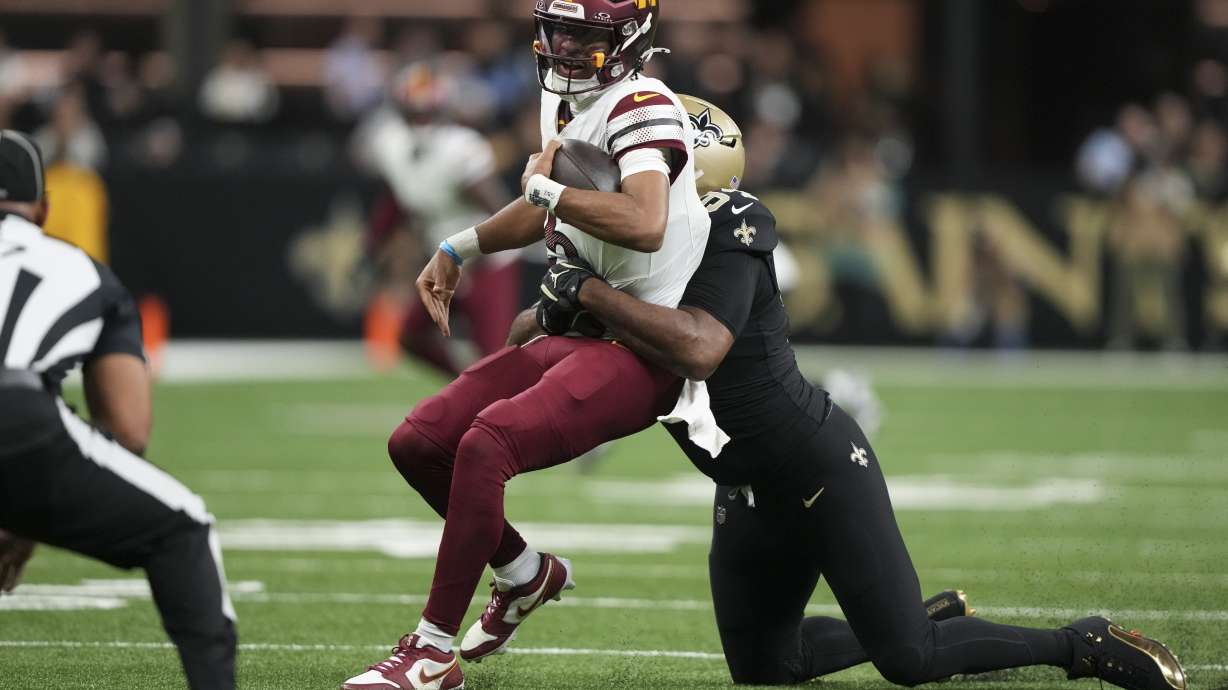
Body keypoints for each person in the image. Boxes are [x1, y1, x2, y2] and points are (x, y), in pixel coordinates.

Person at [534, 99, 1187, 690]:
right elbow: (538, 328)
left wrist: (586, 293)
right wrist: (550, 302)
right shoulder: (638, 253)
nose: (633, 179)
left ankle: (1080, 644)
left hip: (811, 467)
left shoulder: (731, 227)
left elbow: (697, 348)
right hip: (742, 484)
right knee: (766, 670)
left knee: (911, 659)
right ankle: (914, 616)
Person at [340, 2, 711, 688]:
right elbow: (543, 204)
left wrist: (544, 186)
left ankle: (431, 651)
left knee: (486, 444)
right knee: (418, 443)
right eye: (557, 29)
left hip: (637, 344)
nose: (562, 44)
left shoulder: (642, 104)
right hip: (571, 326)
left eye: (583, 34)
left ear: (628, 40)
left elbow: (645, 221)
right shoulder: (563, 100)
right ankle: (523, 571)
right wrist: (460, 245)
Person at [0, 130, 237, 689]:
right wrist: (31, 508)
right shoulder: (81, 270)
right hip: (21, 414)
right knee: (184, 528)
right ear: (44, 208)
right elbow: (129, 431)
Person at [356, 62, 518, 375]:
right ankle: (467, 386)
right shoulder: (391, 143)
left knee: (494, 356)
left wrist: (476, 258)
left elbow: (498, 210)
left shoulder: (461, 147)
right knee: (410, 335)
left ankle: (486, 391)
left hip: (485, 261)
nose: (422, 122)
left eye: (427, 113)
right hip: (445, 262)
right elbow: (398, 199)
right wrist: (372, 245)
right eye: (415, 114)